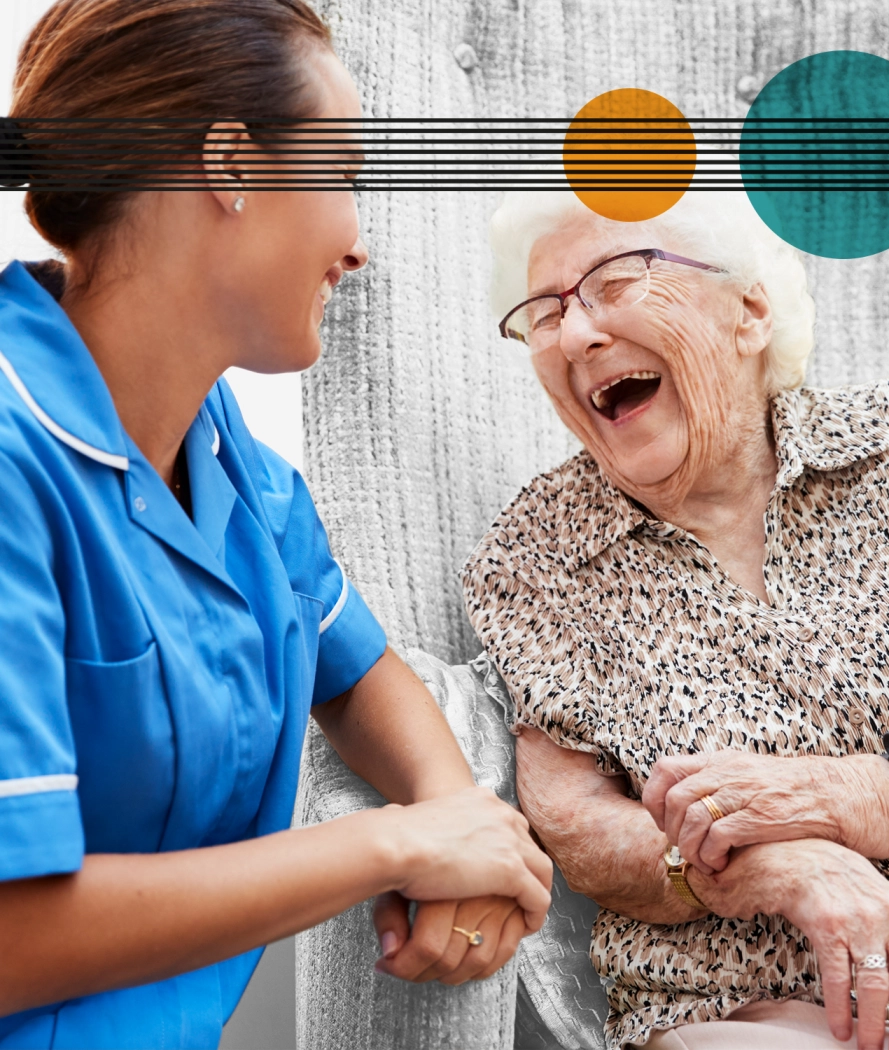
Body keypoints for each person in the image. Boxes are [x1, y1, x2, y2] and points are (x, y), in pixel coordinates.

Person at [0, 3, 552, 1047]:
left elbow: (358, 669)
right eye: (342, 173)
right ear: (230, 167)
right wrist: (396, 848)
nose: (361, 243)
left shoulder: (230, 465)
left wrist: (463, 820)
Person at [463, 188, 889, 1050]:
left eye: (615, 281)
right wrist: (781, 865)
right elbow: (578, 824)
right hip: (764, 1007)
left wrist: (860, 799)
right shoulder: (536, 553)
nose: (577, 334)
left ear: (748, 310)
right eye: (544, 314)